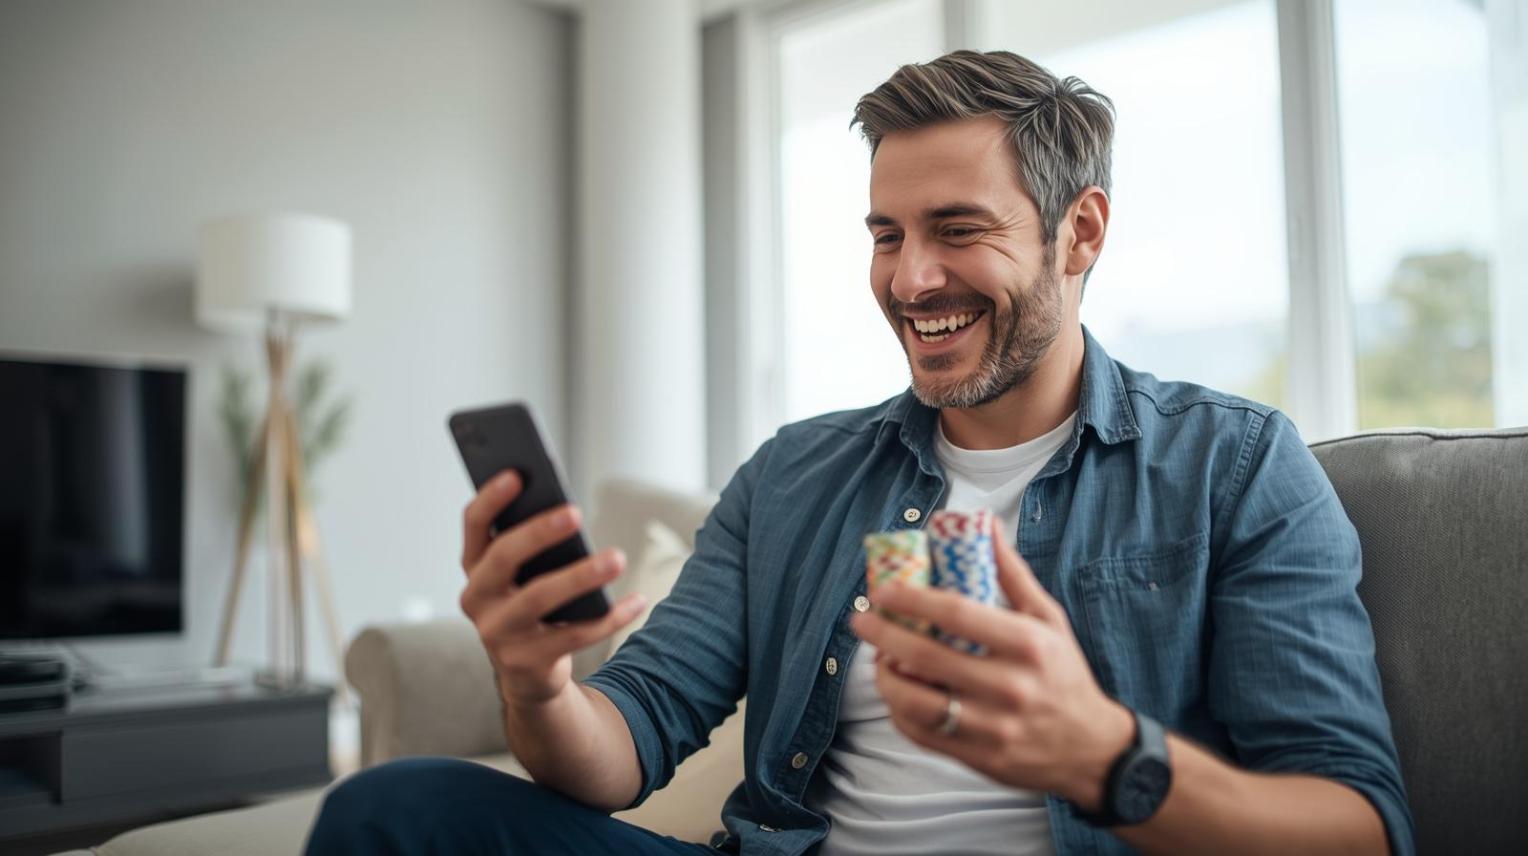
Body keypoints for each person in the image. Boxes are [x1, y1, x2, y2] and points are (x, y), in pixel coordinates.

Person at [306, 50, 1413, 855]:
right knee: (389, 810)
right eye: (886, 235)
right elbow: (628, 742)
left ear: (1080, 232)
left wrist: (1103, 755)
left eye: (957, 230)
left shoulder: (1233, 465)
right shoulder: (796, 475)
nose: (910, 279)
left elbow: (1360, 825)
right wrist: (533, 680)